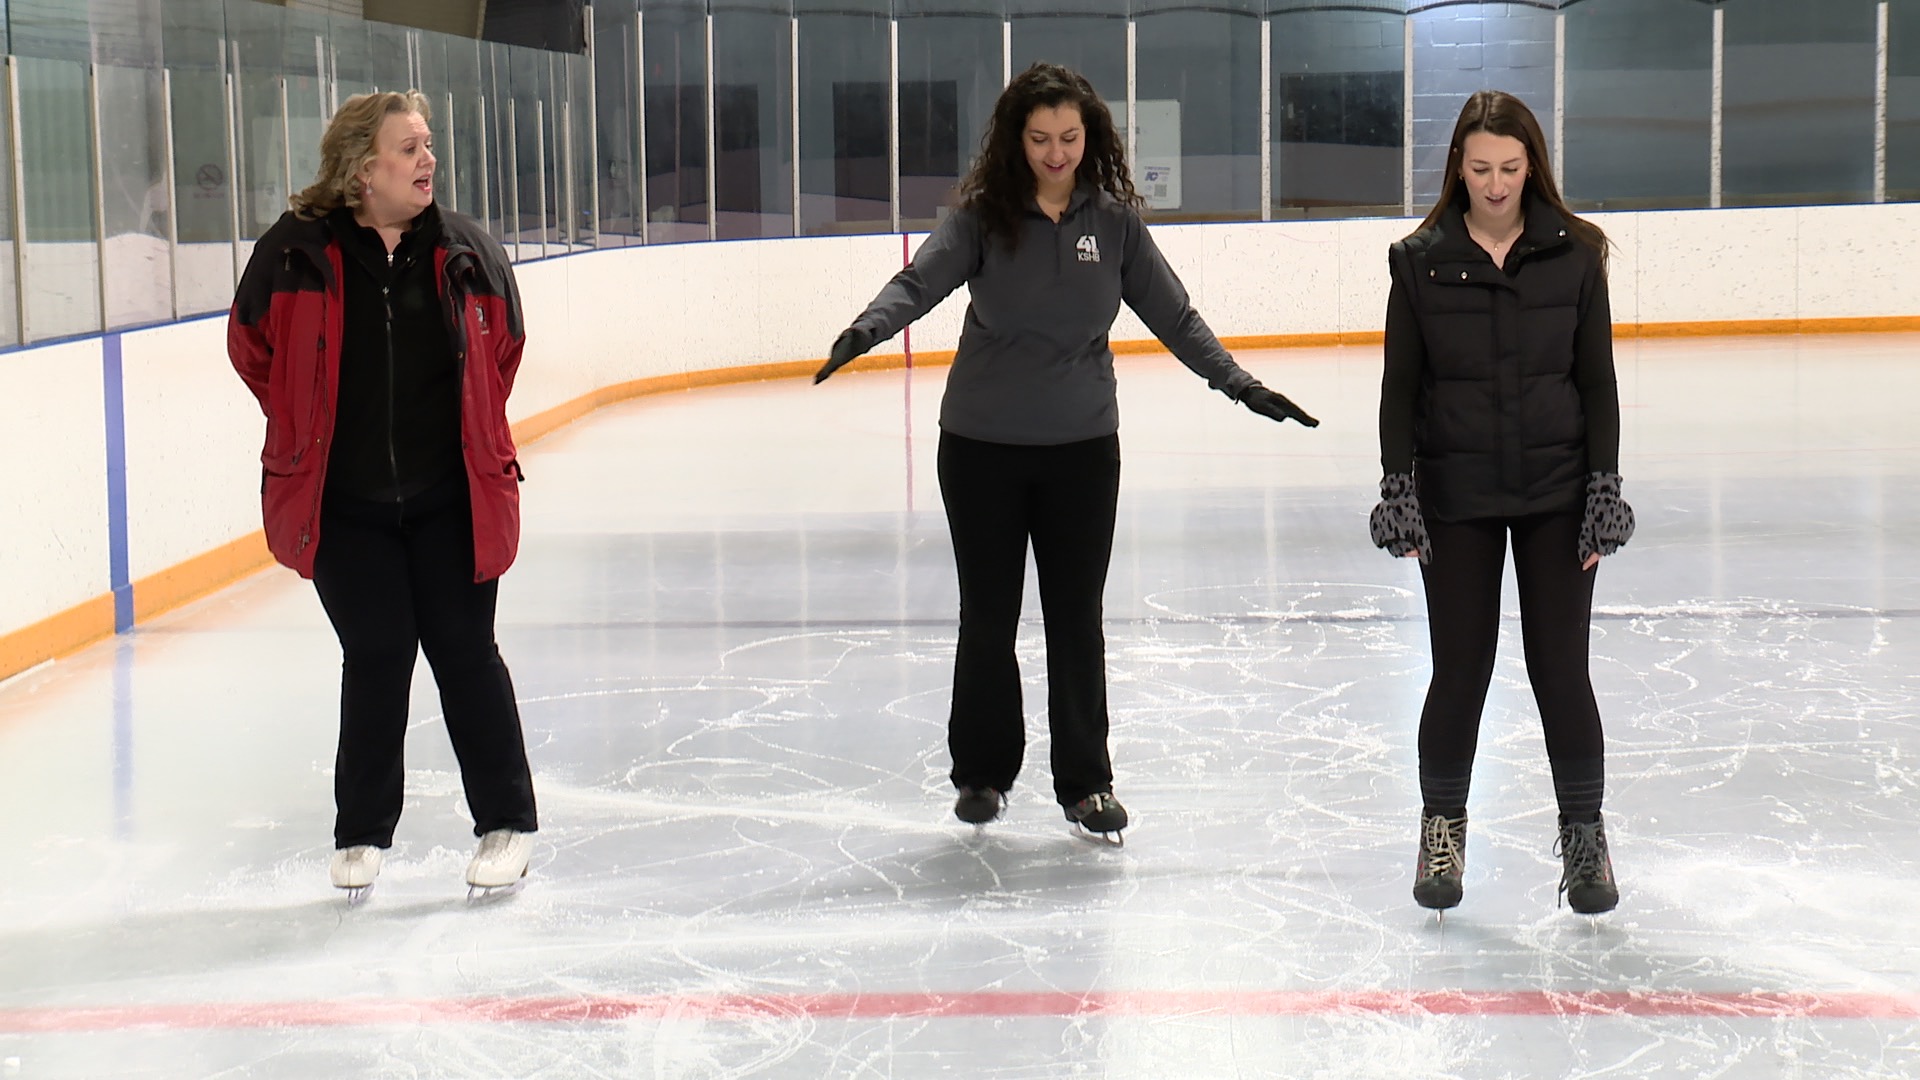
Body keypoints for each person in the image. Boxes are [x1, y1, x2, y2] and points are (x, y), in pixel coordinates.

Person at [816, 62, 1318, 843]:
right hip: (981, 448)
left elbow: (1176, 317)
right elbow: (918, 282)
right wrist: (866, 329)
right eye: (1041, 138)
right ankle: (982, 774)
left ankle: (1086, 783)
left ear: (1091, 138)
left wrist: (1238, 383)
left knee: (1076, 620)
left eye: (1070, 138)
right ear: (1016, 140)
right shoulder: (984, 218)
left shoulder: (1113, 224)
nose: (1056, 153)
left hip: (1081, 451)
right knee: (988, 617)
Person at [227, 91, 538, 899]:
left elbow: (504, 349)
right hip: (345, 505)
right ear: (363, 168)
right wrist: (304, 419)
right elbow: (252, 346)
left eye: (427, 144)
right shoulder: (295, 252)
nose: (428, 160)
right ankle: (362, 833)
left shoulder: (466, 251)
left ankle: (506, 825)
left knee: (465, 653)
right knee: (376, 654)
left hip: (451, 499)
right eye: (410, 148)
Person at [1370, 90, 1635, 915]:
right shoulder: (1419, 261)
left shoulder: (1576, 254)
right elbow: (1399, 389)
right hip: (1457, 496)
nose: (1495, 185)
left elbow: (1597, 383)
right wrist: (1398, 487)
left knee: (1561, 671)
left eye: (1510, 168)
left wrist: (1603, 487)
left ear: (1533, 166)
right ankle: (1441, 832)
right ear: (1459, 166)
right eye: (1480, 168)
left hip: (1559, 493)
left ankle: (1585, 839)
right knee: (1460, 671)